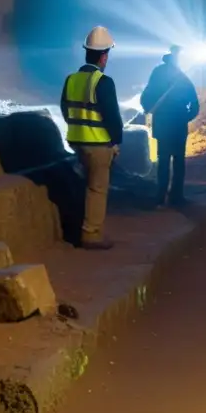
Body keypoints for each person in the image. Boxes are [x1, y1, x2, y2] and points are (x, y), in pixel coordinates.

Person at [61, 26, 123, 250]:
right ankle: (91, 234)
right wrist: (116, 142)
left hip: (77, 142)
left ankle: (78, 226)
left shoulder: (71, 80)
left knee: (85, 185)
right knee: (97, 189)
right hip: (98, 145)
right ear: (104, 55)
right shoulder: (103, 82)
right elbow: (112, 118)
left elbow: (66, 110)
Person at [140, 45, 200, 207]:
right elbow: (195, 104)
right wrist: (185, 117)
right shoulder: (183, 77)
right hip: (178, 125)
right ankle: (176, 197)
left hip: (163, 124)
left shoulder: (158, 73)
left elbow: (146, 96)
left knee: (164, 160)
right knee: (178, 161)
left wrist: (151, 110)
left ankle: (160, 196)